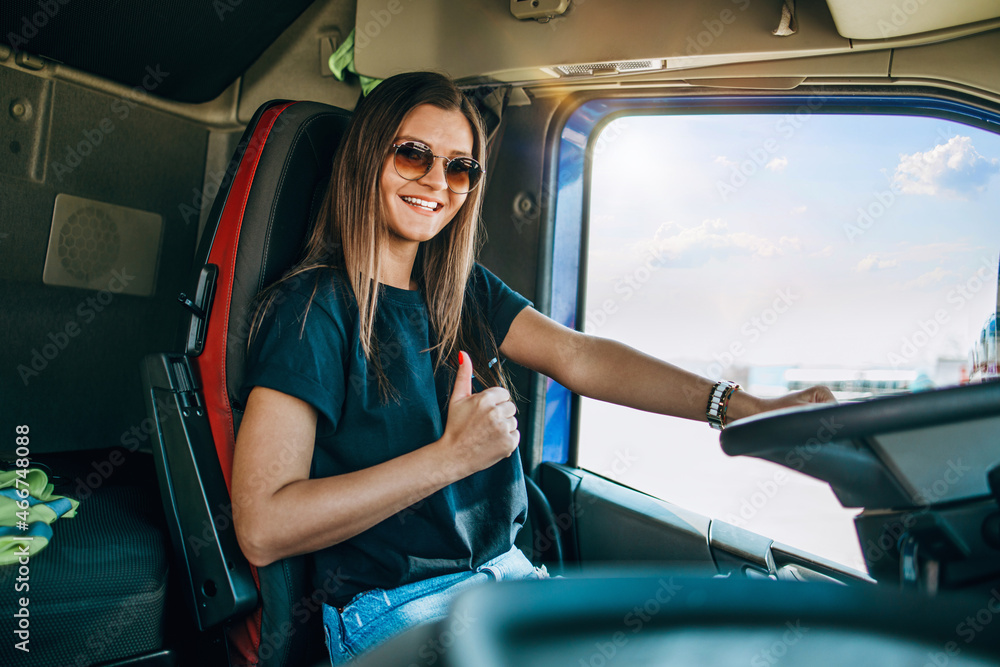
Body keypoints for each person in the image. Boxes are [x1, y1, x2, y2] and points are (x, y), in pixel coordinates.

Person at [231, 71, 834, 664]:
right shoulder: (312, 308)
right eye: (413, 156)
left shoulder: (460, 288)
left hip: (508, 582)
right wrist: (451, 458)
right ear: (366, 159)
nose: (437, 183)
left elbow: (577, 355)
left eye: (459, 167)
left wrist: (739, 408)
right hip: (397, 612)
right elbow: (263, 525)